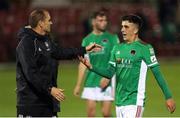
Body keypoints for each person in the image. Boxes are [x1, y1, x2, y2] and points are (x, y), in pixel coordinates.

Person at [79, 14, 176, 118]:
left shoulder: (145, 48)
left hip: (135, 102)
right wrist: (91, 67)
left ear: (135, 30)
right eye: (122, 26)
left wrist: (168, 96)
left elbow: (157, 74)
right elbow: (109, 72)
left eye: (126, 27)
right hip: (119, 103)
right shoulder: (117, 48)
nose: (122, 30)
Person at [16, 9, 101, 117]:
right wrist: (49, 89)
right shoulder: (27, 43)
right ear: (41, 23)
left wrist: (84, 50)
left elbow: (60, 52)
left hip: (48, 101)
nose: (51, 22)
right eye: (49, 20)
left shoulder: (46, 40)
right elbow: (31, 73)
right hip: (31, 104)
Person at [73, 10, 119, 117]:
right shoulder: (86, 40)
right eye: (100, 20)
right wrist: (78, 85)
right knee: (90, 114)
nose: (104, 22)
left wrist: (108, 77)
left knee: (106, 113)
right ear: (93, 22)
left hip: (107, 81)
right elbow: (83, 64)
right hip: (91, 80)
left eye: (105, 20)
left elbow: (118, 59)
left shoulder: (113, 38)